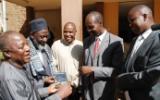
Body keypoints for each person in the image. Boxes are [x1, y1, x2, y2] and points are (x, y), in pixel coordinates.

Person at [115, 5, 160, 100]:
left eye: (132, 20)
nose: (129, 25)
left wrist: (122, 80)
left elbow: (153, 74)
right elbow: (128, 67)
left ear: (145, 16)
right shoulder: (135, 40)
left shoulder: (158, 37)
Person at [80, 11, 124, 100]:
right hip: (87, 93)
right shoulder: (86, 41)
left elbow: (116, 70)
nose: (88, 30)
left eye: (91, 27)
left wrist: (92, 70)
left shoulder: (116, 41)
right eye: (87, 27)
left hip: (105, 93)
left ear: (100, 23)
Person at [27, 18, 72, 100]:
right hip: (35, 94)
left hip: (51, 93)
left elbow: (52, 68)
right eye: (41, 37)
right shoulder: (25, 52)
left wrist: (63, 83)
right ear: (32, 35)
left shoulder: (47, 47)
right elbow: (26, 81)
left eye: (47, 36)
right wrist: (43, 81)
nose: (45, 39)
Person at [0, 31, 40, 100]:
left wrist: (47, 89)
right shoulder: (10, 78)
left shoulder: (20, 66)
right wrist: (58, 96)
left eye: (27, 44)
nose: (28, 48)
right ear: (7, 53)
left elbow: (29, 92)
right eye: (21, 47)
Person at [51, 22, 83, 99]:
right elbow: (53, 65)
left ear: (75, 32)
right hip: (60, 85)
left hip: (75, 86)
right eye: (65, 32)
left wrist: (74, 83)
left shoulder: (80, 46)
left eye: (70, 32)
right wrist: (62, 82)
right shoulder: (56, 45)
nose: (68, 34)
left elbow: (83, 67)